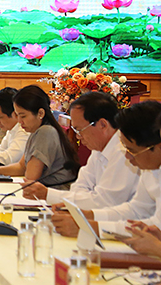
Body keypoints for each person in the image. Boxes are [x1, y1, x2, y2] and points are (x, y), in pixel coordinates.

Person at [51, 101, 161, 240]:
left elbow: (157, 227)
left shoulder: (140, 161)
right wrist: (87, 215)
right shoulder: (149, 165)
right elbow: (136, 210)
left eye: (132, 151)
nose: (127, 157)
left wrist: (91, 228)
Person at [23, 91, 139, 209]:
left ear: (103, 125)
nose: (78, 136)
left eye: (79, 130)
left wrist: (48, 194)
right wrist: (73, 203)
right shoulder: (98, 149)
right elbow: (80, 187)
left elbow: (104, 202)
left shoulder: (125, 153)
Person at [0, 85, 79, 189]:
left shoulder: (45, 132)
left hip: (55, 192)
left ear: (40, 113)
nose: (19, 121)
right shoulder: (36, 130)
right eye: (17, 115)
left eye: (23, 116)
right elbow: (21, 167)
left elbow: (31, 177)